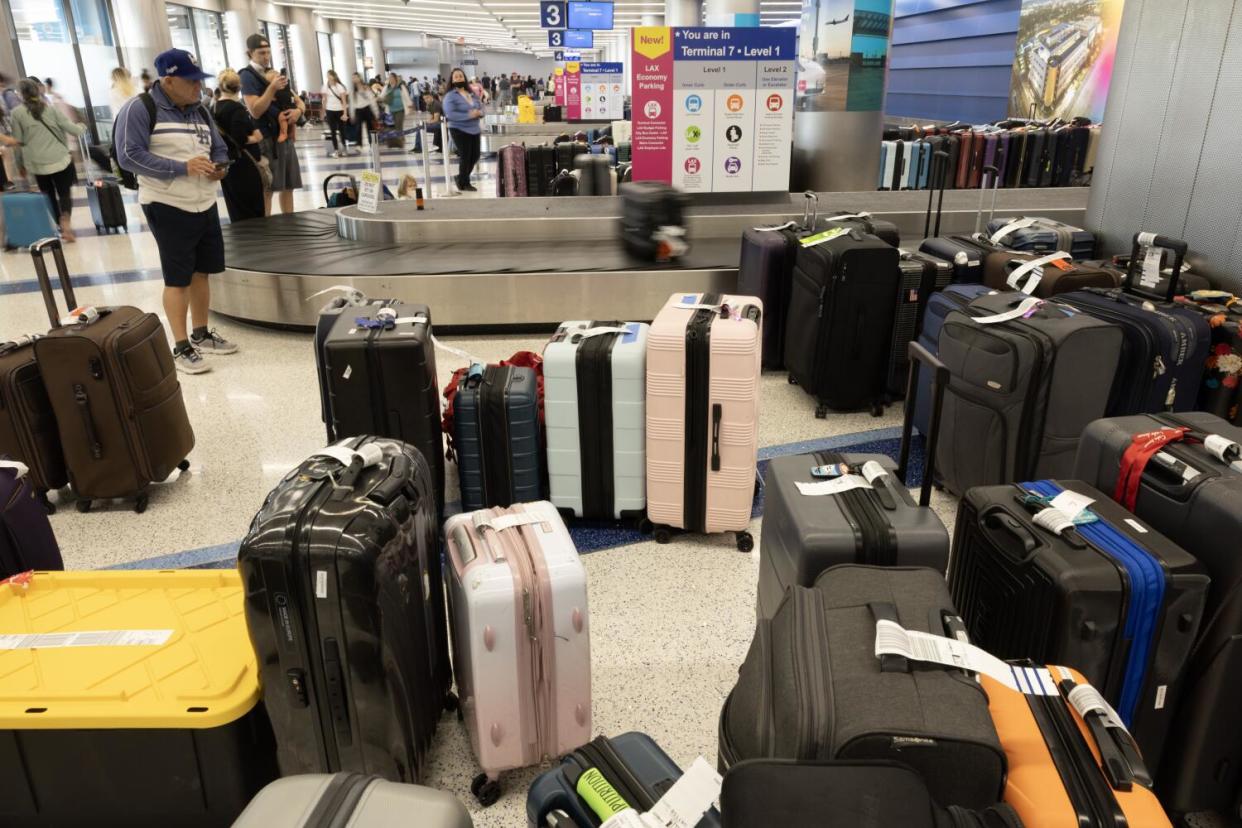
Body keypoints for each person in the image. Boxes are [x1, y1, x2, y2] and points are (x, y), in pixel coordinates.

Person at [114, 48, 235, 375]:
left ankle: (200, 333)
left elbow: (218, 148)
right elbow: (129, 156)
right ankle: (180, 346)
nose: (199, 87)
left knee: (202, 271)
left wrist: (219, 168)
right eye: (191, 81)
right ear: (168, 80)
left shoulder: (200, 111)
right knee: (178, 277)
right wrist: (181, 167)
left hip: (205, 201)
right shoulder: (139, 110)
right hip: (167, 204)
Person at [9, 78, 87, 242]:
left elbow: (18, 141)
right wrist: (82, 126)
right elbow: (74, 130)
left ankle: (59, 226)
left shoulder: (17, 113)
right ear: (37, 91)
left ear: (21, 95)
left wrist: (20, 165)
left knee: (48, 194)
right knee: (64, 193)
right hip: (60, 159)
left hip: (37, 163)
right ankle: (65, 221)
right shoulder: (50, 110)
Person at [240, 33, 303, 215]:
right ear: (250, 53)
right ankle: (266, 227)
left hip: (284, 137)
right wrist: (272, 88)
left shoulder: (274, 73)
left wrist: (297, 112)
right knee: (268, 187)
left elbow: (299, 102)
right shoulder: (247, 76)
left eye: (268, 52)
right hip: (267, 139)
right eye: (261, 53)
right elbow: (255, 110)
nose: (266, 57)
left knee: (288, 184)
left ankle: (289, 221)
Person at [211, 69, 266, 223]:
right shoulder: (237, 109)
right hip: (245, 164)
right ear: (239, 87)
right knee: (252, 207)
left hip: (227, 163)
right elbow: (239, 138)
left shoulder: (214, 108)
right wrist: (256, 137)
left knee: (235, 205)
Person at [442, 67, 482, 192]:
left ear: (464, 78)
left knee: (475, 156)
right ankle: (465, 183)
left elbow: (481, 107)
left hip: (474, 128)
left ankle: (460, 178)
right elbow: (450, 114)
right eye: (456, 77)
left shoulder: (471, 94)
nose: (459, 78)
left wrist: (479, 112)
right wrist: (468, 115)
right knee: (465, 156)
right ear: (452, 80)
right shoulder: (450, 96)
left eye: (461, 76)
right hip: (459, 129)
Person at [322, 70, 349, 157]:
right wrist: (324, 112)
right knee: (332, 131)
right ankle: (336, 150)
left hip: (339, 110)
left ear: (334, 76)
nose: (328, 77)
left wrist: (345, 113)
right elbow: (324, 100)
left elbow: (344, 101)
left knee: (342, 131)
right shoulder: (325, 87)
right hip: (329, 110)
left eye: (330, 75)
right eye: (327, 75)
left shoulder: (340, 87)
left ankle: (344, 149)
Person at [349, 72, 378, 149]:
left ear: (360, 78)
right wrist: (352, 115)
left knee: (370, 128)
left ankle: (372, 144)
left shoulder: (366, 88)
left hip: (367, 109)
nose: (354, 79)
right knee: (358, 128)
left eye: (355, 77)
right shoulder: (352, 91)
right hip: (358, 110)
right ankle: (359, 145)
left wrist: (376, 112)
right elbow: (352, 104)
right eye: (353, 78)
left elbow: (372, 100)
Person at [383, 72, 410, 149]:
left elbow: (406, 95)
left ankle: (400, 141)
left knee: (399, 125)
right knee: (392, 126)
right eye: (389, 78)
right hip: (390, 110)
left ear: (395, 78)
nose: (390, 79)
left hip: (400, 109)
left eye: (392, 77)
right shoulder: (386, 87)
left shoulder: (400, 87)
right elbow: (382, 96)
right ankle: (396, 141)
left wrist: (409, 104)